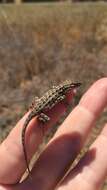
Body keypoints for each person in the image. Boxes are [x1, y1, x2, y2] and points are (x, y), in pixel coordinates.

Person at [0, 78, 107, 190]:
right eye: (73, 86)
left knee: (38, 103)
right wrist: (65, 103)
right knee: (45, 120)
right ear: (68, 88)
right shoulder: (61, 96)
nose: (75, 87)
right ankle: (41, 121)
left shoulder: (56, 89)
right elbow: (62, 100)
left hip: (37, 106)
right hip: (39, 111)